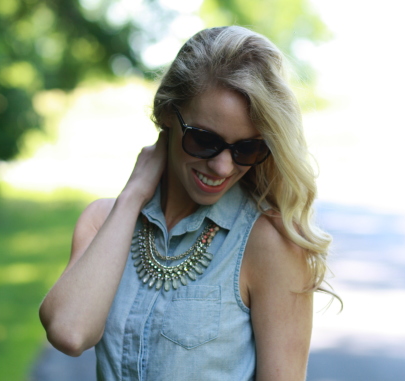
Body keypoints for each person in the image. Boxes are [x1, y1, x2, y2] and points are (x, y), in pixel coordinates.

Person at [39, 25, 336, 381]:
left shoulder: (269, 244)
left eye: (247, 148)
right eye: (204, 140)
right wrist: (133, 194)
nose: (223, 166)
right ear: (167, 115)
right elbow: (70, 333)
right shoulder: (102, 221)